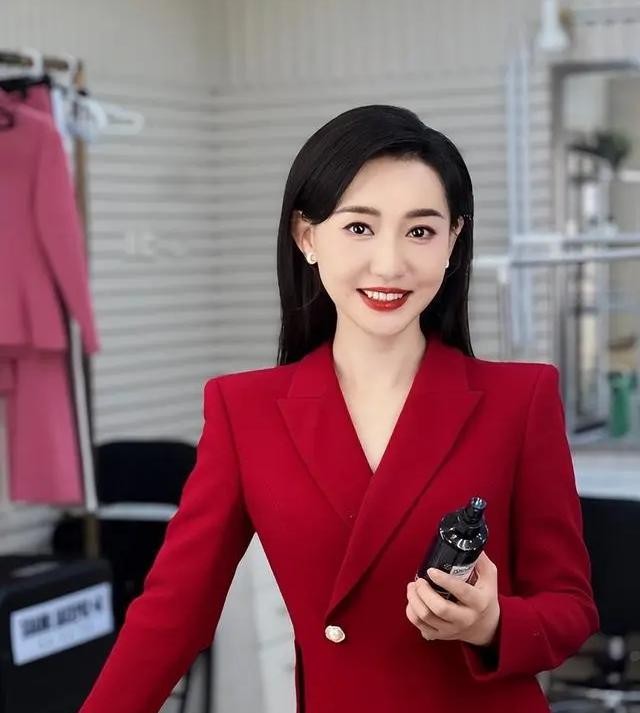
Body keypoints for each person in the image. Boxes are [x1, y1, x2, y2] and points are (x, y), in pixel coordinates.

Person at [79, 105, 599, 713]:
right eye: (359, 227)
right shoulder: (244, 411)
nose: (390, 264)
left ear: (453, 242)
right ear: (307, 236)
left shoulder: (521, 399)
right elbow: (173, 614)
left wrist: (491, 624)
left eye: (420, 231)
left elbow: (570, 608)